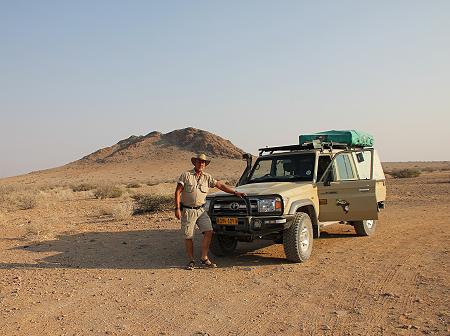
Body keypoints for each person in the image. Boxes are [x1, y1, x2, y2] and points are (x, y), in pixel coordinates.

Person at [174, 153, 246, 270]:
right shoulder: (186, 175)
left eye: (203, 162)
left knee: (209, 231)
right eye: (199, 161)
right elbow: (178, 192)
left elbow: (220, 186)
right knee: (189, 236)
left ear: (205, 164)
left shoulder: (207, 177)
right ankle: (191, 260)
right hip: (188, 210)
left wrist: (234, 192)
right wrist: (177, 208)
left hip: (201, 210)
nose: (201, 164)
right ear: (195, 163)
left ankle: (204, 258)